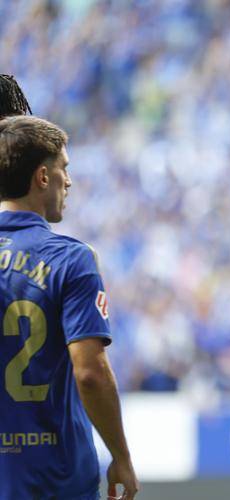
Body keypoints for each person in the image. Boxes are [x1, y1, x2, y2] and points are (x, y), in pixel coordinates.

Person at [0, 116, 138, 499]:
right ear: (43, 177)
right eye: (64, 167)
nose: (70, 181)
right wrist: (121, 456)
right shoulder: (70, 258)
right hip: (56, 477)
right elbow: (90, 373)